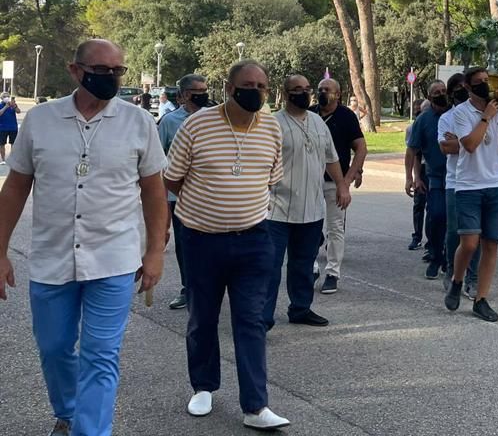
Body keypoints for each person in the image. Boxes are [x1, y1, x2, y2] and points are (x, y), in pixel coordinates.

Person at [0, 39, 167, 436]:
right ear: (76, 71)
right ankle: (69, 410)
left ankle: (89, 431)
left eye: (117, 71)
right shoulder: (40, 120)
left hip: (114, 259)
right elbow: (15, 188)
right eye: (101, 70)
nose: (110, 77)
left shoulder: (139, 122)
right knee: (54, 348)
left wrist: (155, 250)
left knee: (101, 355)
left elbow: (155, 193)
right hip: (51, 257)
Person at [163, 59, 290, 429]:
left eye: (263, 86)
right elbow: (172, 180)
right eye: (249, 85)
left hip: (253, 239)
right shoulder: (197, 125)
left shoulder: (270, 126)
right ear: (230, 89)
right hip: (201, 239)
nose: (257, 92)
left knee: (251, 320)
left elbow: (270, 178)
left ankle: (256, 407)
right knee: (202, 316)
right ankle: (203, 386)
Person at [264, 74, 350, 330]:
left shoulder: (317, 122)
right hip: (277, 209)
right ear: (285, 93)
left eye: (306, 89)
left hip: (312, 209)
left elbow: (331, 158)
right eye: (296, 89)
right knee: (270, 267)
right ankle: (263, 318)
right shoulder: (272, 124)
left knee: (303, 265)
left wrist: (342, 185)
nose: (303, 93)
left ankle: (300, 308)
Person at [444, 68, 498, 322]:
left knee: (491, 244)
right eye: (479, 83)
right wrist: (486, 117)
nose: (485, 86)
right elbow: (469, 144)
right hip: (468, 185)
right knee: (469, 243)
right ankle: (457, 280)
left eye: (487, 81)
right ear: (467, 86)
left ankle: (481, 299)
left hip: (497, 183)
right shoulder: (461, 112)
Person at [158, 73, 211, 310]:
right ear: (184, 95)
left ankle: (209, 288)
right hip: (178, 196)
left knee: (211, 245)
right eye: (197, 91)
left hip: (210, 196)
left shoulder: (215, 118)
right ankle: (187, 287)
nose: (202, 94)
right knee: (185, 245)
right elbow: (158, 161)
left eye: (205, 90)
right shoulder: (169, 122)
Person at [312, 78, 366, 295]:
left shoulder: (346, 116)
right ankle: (312, 267)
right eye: (320, 89)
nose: (323, 92)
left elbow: (360, 148)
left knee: (335, 228)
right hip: (310, 182)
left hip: (335, 182)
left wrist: (349, 178)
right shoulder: (310, 113)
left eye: (327, 90)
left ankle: (333, 272)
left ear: (338, 94)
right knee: (311, 227)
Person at [437, 73, 480, 295]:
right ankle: (452, 271)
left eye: (466, 86)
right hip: (455, 181)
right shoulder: (447, 118)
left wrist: (461, 140)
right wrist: (470, 141)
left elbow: (474, 144)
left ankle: (473, 277)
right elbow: (446, 148)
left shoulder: (479, 114)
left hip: (478, 180)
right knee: (455, 231)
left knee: (476, 234)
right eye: (458, 88)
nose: (463, 91)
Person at [406, 81, 450, 280]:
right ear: (430, 97)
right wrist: (412, 178)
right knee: (437, 215)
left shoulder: (456, 114)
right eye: (436, 93)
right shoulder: (423, 120)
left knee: (454, 220)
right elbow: (413, 150)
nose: (441, 94)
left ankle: (449, 259)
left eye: (443, 91)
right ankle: (435, 255)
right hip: (436, 176)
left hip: (460, 177)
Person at [404, 99, 431, 252]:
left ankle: (432, 241)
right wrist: (414, 177)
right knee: (419, 204)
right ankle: (417, 237)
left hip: (436, 169)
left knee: (434, 209)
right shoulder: (413, 128)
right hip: (422, 168)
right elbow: (414, 153)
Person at [0, 92, 21, 164]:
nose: (7, 97)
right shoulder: (0, 105)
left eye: (8, 96)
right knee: (2, 144)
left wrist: (14, 106)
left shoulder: (12, 105)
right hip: (2, 128)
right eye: (5, 96)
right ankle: (3, 160)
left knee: (14, 144)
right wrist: (6, 106)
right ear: (2, 98)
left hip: (13, 128)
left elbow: (19, 112)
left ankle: (13, 159)